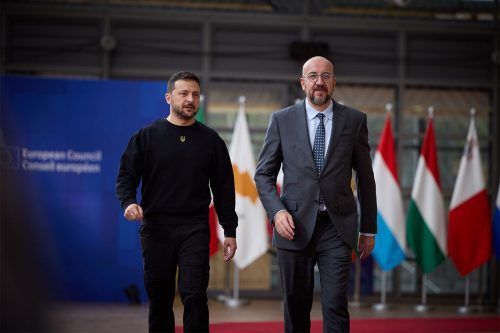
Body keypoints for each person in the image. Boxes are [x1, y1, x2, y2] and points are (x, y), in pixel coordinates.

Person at [254, 56, 376, 333]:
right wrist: (277, 211)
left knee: (335, 305)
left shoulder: (355, 120)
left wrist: (368, 228)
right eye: (312, 76)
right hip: (293, 226)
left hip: (337, 226)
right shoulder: (281, 120)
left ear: (333, 81)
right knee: (296, 307)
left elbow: (366, 179)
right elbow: (263, 175)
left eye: (325, 76)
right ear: (302, 83)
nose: (319, 82)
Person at [116, 71, 238, 333]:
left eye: (195, 94)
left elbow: (224, 188)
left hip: (194, 227)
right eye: (184, 93)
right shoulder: (146, 136)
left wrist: (230, 230)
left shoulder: (211, 141)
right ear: (168, 97)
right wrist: (128, 202)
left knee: (194, 295)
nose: (190, 99)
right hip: (156, 228)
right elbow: (126, 175)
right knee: (160, 300)